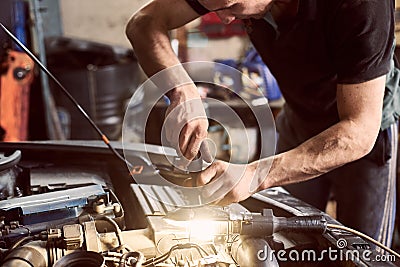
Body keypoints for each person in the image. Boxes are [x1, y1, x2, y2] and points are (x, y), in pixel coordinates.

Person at [126, 0, 400, 246]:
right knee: (287, 241)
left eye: (231, 7)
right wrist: (182, 90)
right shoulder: (226, 2)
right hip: (299, 118)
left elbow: (359, 131)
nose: (223, 19)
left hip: (365, 135)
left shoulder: (362, 6)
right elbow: (143, 23)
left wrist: (256, 174)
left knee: (361, 253)